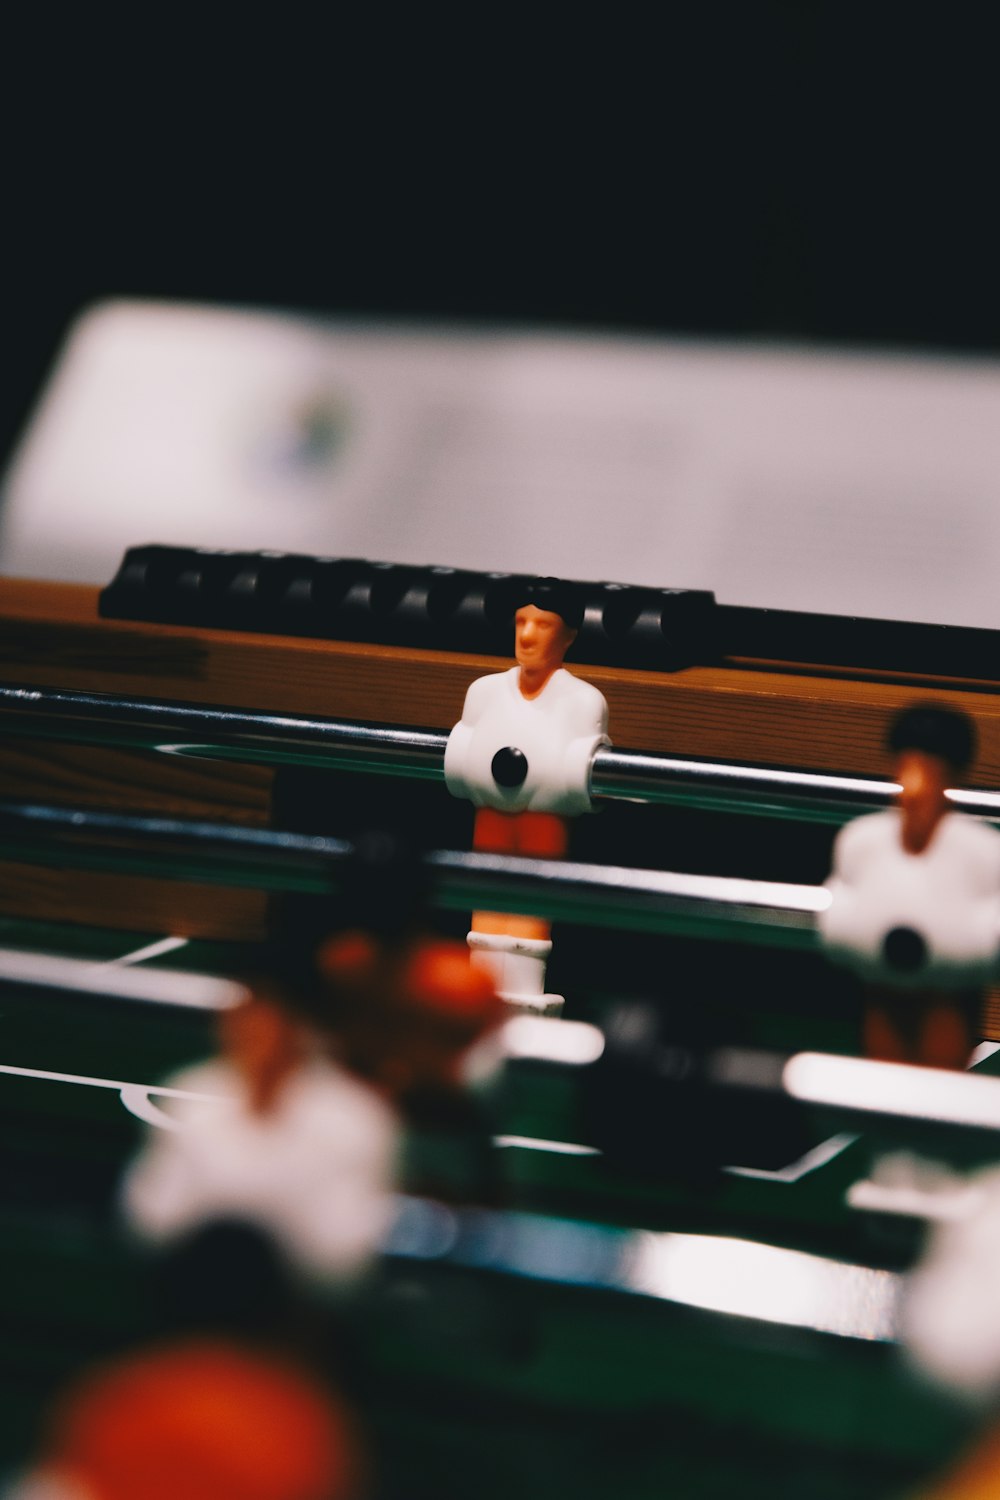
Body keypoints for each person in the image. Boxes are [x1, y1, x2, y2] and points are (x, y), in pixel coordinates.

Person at [444, 577, 610, 1010]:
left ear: (569, 635)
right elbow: (464, 755)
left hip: (543, 821)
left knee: (530, 897)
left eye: (543, 624)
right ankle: (475, 988)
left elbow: (575, 771)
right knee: (485, 891)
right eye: (521, 621)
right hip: (490, 817)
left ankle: (522, 995)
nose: (528, 635)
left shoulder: (582, 701)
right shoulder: (483, 692)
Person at [819, 704, 1000, 1068]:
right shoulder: (862, 841)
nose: (915, 787)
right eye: (907, 768)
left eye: (930, 771)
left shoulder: (981, 850)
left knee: (942, 1071)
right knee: (884, 1064)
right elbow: (838, 910)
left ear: (952, 776)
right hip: (881, 991)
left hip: (948, 998)